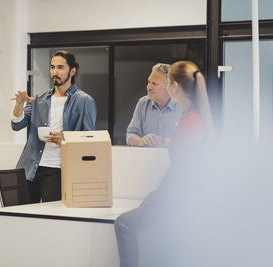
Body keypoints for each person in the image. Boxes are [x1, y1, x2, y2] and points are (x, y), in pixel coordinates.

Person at [114, 61, 214, 267]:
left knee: (124, 224)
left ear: (173, 86)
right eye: (148, 82)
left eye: (158, 83)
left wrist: (156, 198)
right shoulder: (193, 116)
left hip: (179, 201)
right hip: (182, 199)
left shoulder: (189, 121)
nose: (150, 87)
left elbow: (182, 172)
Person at [11, 50, 96, 203]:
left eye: (60, 67)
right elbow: (16, 125)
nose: (54, 72)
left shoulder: (84, 101)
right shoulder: (39, 98)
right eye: (52, 67)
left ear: (72, 71)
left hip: (57, 170)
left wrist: (66, 138)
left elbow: (89, 138)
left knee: (51, 219)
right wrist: (19, 104)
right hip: (29, 167)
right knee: (22, 217)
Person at [126, 63, 181, 147]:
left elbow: (189, 141)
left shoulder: (181, 105)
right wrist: (141, 141)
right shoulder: (143, 103)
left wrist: (164, 142)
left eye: (154, 84)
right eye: (149, 82)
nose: (149, 87)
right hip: (147, 158)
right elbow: (130, 135)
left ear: (168, 87)